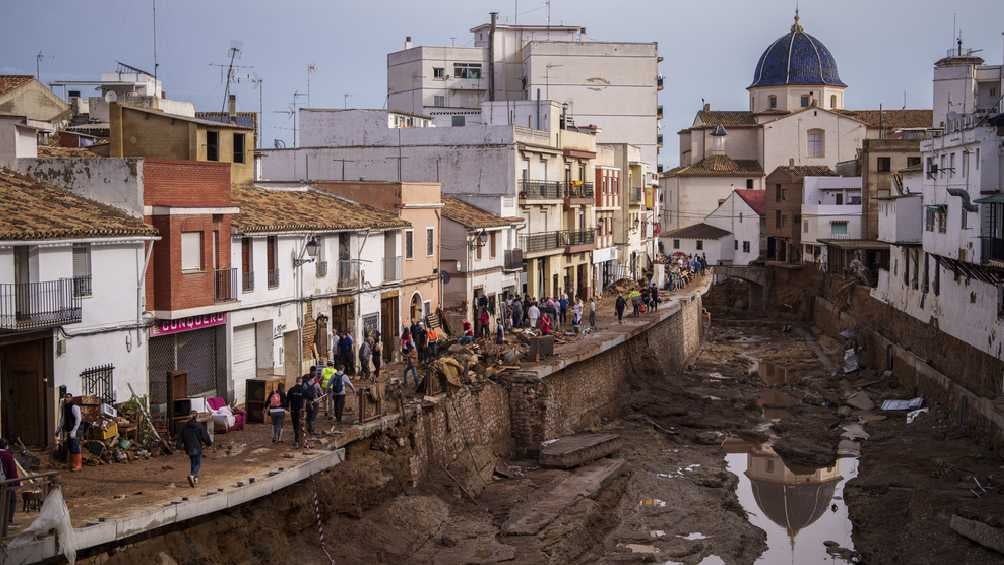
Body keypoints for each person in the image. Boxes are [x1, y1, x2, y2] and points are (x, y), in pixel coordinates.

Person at [179, 411, 212, 488]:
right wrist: (209, 443)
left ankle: (195, 479)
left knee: (193, 462)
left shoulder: (184, 426)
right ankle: (192, 475)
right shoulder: (199, 426)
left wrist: (179, 445)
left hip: (188, 448)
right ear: (196, 417)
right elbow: (205, 436)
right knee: (198, 463)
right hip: (197, 447)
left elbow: (180, 437)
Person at [57, 393, 82, 472]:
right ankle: (73, 464)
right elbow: (63, 419)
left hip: (75, 430)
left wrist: (74, 430)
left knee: (75, 447)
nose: (66, 399)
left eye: (68, 397)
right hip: (69, 430)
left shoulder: (74, 407)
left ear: (71, 398)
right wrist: (58, 429)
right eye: (65, 397)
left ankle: (78, 465)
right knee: (71, 447)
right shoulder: (65, 407)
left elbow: (78, 419)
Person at [0, 439, 18, 525]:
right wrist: (15, 483)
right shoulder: (8, 455)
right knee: (11, 500)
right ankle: (9, 519)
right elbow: (12, 470)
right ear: (5, 445)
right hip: (7, 482)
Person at [287, 376, 306, 448]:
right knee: (301, 425)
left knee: (295, 425)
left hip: (293, 410)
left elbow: (287, 400)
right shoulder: (303, 389)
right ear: (301, 382)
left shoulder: (291, 389)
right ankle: (300, 441)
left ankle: (296, 441)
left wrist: (288, 408)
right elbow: (307, 398)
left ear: (296, 381)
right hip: (300, 411)